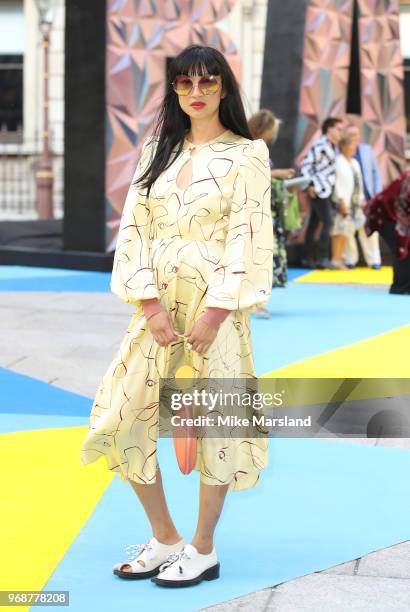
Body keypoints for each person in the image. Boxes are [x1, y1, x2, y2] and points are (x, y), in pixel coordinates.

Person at [80, 44, 274, 587]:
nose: (195, 93)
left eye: (207, 83)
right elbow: (133, 231)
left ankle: (203, 547)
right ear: (175, 91)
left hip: (217, 310)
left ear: (224, 89)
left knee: (217, 424)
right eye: (185, 83)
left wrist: (216, 312)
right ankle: (165, 536)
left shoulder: (247, 154)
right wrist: (147, 303)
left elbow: (249, 236)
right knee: (121, 414)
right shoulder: (154, 153)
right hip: (157, 309)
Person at [248, 109, 296, 315]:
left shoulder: (254, 146)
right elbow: (251, 173)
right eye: (270, 130)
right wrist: (276, 174)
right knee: (255, 255)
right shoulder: (251, 147)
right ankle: (253, 301)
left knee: (261, 255)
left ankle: (257, 300)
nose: (271, 135)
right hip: (254, 210)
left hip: (265, 209)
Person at [300, 117, 344, 268]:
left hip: (326, 190)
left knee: (314, 223)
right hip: (319, 189)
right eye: (338, 129)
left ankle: (307, 257)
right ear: (329, 129)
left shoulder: (333, 147)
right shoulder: (321, 145)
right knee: (328, 222)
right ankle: (321, 258)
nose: (340, 133)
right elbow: (306, 165)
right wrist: (309, 185)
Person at [342, 125, 383, 269]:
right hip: (348, 199)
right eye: (351, 134)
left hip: (367, 197)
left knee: (370, 230)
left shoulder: (366, 150)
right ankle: (350, 259)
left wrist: (376, 194)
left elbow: (375, 173)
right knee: (348, 230)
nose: (354, 137)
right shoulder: (340, 155)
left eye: (356, 134)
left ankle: (374, 260)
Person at [365, 170, 410, 294]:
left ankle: (405, 286)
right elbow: (404, 204)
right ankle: (400, 288)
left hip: (397, 213)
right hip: (384, 215)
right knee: (403, 249)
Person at [330, 133, 366, 269]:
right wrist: (341, 201)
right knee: (338, 230)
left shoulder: (355, 163)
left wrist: (361, 199)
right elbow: (337, 183)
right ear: (343, 146)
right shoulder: (338, 161)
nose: (354, 147)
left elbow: (359, 183)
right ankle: (335, 258)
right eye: (351, 144)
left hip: (354, 202)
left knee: (346, 231)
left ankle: (339, 259)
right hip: (342, 202)